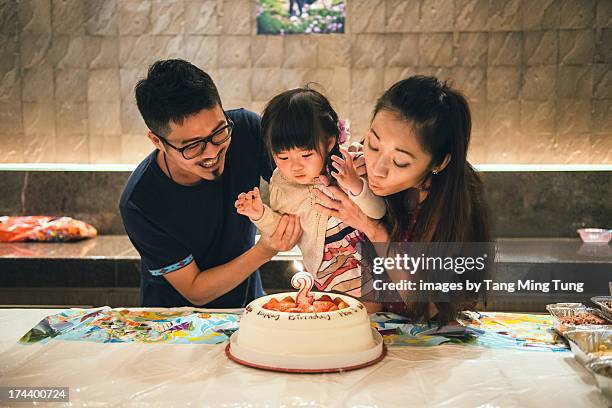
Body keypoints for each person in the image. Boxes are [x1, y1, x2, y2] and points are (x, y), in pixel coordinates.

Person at [119, 59, 302, 308]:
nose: (212, 153)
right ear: (157, 141)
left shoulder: (245, 130)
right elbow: (196, 290)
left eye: (219, 132)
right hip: (176, 325)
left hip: (245, 310)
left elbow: (302, 177)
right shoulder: (141, 201)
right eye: (193, 146)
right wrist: (266, 249)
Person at [312, 76, 491, 323]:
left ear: (438, 163)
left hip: (424, 344)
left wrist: (373, 230)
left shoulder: (454, 206)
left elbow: (433, 312)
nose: (378, 168)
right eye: (374, 145)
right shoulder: (361, 172)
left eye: (400, 162)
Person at [235, 87, 385, 297]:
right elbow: (285, 231)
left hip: (375, 259)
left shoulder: (349, 164)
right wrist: (259, 214)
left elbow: (378, 212)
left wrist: (355, 185)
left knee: (373, 317)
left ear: (330, 141)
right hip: (330, 271)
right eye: (283, 157)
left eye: (306, 155)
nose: (295, 166)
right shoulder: (282, 185)